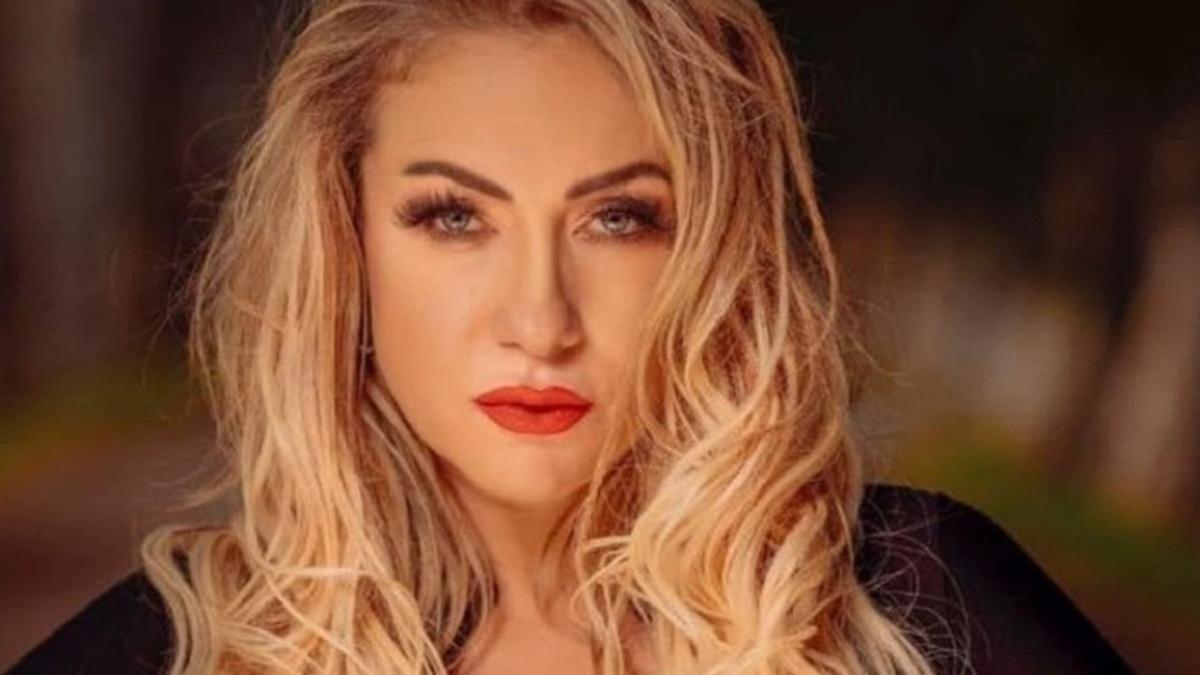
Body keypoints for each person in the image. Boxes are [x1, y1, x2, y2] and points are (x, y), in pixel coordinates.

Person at [9, 1, 1132, 673]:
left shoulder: (919, 602)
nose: (539, 323)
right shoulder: (183, 651)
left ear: (713, 254)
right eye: (454, 217)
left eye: (620, 219)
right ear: (346, 247)